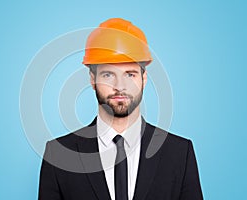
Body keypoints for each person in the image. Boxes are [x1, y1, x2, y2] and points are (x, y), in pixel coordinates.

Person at [38, 18, 203, 200]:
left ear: (144, 78)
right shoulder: (58, 155)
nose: (119, 86)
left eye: (130, 74)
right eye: (108, 74)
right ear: (92, 79)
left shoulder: (179, 153)